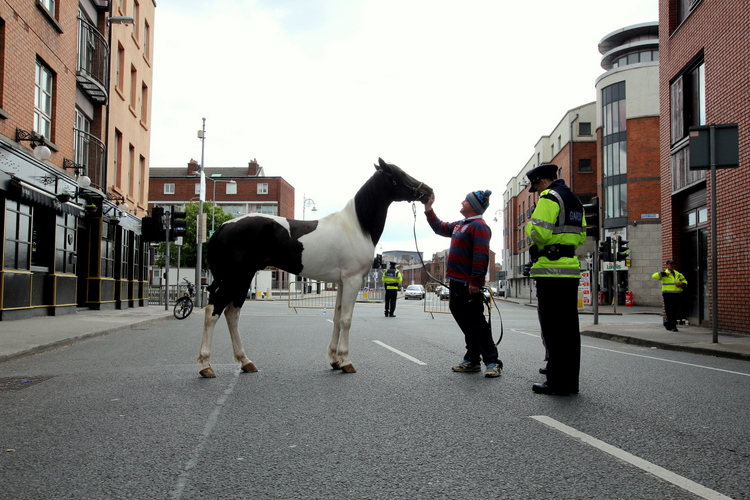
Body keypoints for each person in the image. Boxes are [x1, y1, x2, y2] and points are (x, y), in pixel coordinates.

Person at [424, 190, 502, 378]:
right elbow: (439, 227)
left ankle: (492, 362)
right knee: (467, 324)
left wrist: (476, 280)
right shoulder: (460, 225)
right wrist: (428, 208)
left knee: (477, 324)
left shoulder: (479, 226)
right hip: (456, 283)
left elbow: (481, 256)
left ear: (473, 206)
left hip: (468, 285)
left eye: (465, 201)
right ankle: (473, 360)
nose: (462, 202)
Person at [524, 164, 587, 396]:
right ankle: (570, 382)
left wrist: (528, 226)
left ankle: (556, 382)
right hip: (569, 269)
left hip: (550, 271)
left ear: (541, 181)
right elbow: (581, 235)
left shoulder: (549, 198)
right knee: (569, 330)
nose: (537, 192)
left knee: (553, 329)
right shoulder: (574, 200)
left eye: (536, 187)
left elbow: (539, 233)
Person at [652, 259, 687, 331]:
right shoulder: (664, 273)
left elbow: (685, 282)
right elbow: (654, 276)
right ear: (667, 265)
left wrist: (682, 284)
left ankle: (668, 323)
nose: (672, 266)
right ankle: (673, 326)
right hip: (668, 294)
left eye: (673, 264)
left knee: (675, 310)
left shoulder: (678, 274)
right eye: (670, 264)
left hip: (677, 294)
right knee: (669, 310)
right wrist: (663, 274)